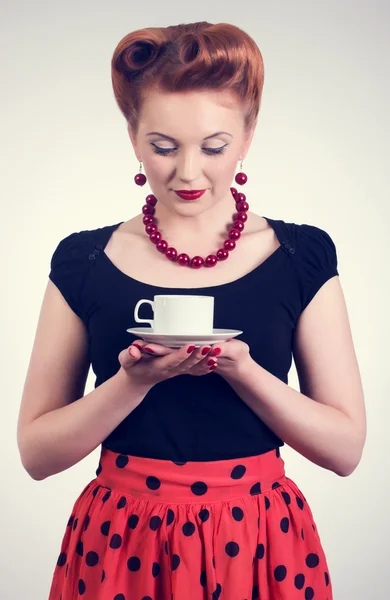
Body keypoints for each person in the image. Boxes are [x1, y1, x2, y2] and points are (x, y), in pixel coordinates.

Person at [17, 21, 366, 600]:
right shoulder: (84, 259)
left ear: (248, 136)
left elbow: (345, 449)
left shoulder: (301, 255)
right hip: (121, 541)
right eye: (162, 146)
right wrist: (132, 384)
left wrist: (243, 370)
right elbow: (37, 454)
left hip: (259, 540)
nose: (186, 173)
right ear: (133, 138)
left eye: (213, 147)